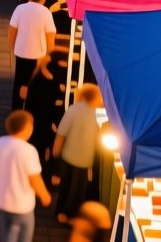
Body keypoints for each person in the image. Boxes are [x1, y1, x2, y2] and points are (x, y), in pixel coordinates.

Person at [0, 110, 53, 242]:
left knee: (8, 234)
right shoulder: (29, 151)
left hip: (1, 202)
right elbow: (34, 179)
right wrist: (44, 195)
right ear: (27, 128)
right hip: (22, 206)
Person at [53, 83, 101, 224]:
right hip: (81, 159)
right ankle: (67, 215)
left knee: (67, 186)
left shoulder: (74, 110)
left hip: (70, 156)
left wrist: (57, 152)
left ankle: (62, 212)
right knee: (77, 190)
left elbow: (61, 133)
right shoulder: (90, 113)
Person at [8, 0, 57, 111]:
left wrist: (12, 47)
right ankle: (30, 110)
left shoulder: (20, 9)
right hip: (38, 53)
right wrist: (48, 55)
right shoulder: (46, 12)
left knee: (19, 80)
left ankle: (16, 109)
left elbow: (12, 30)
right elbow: (50, 35)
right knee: (33, 83)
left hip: (20, 50)